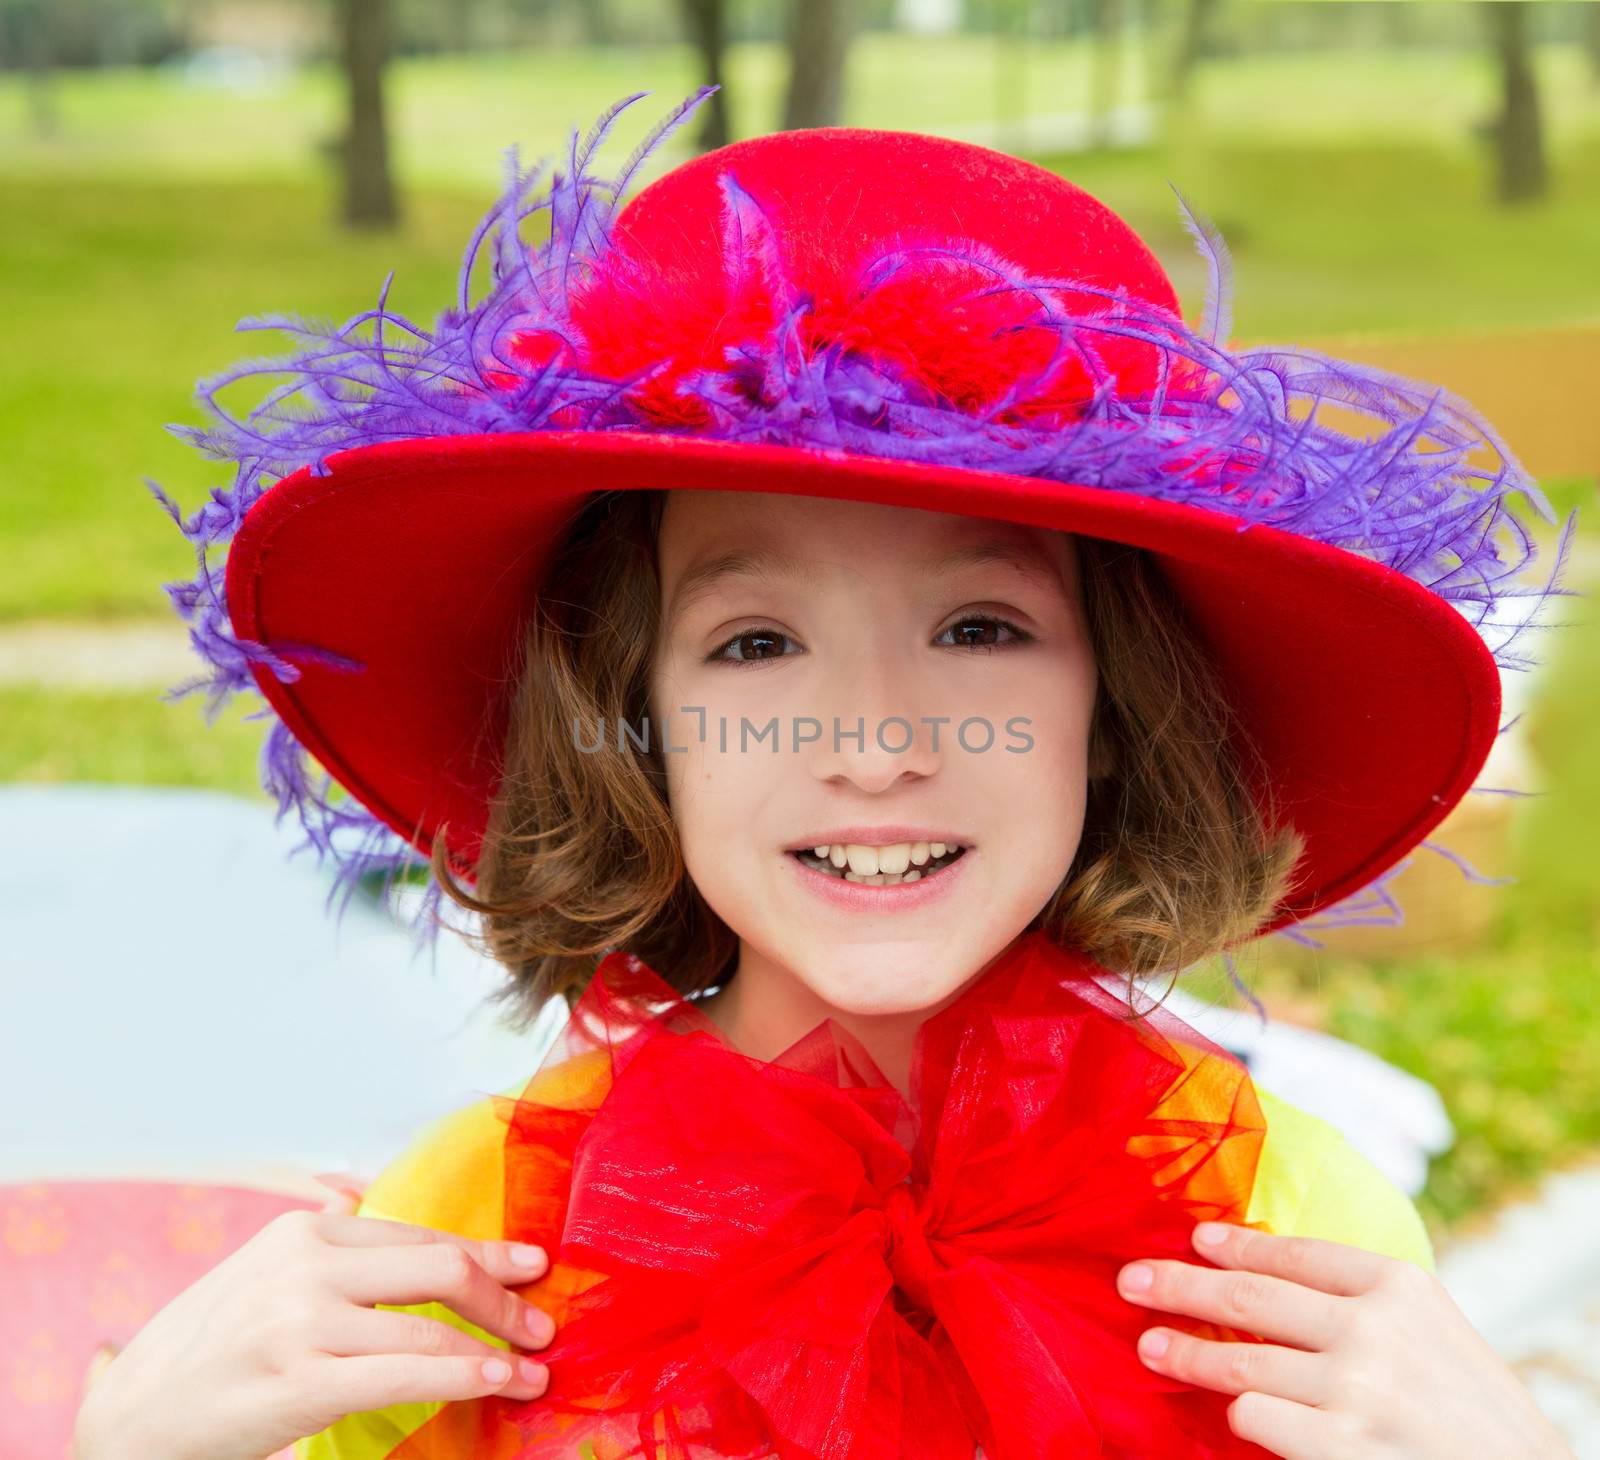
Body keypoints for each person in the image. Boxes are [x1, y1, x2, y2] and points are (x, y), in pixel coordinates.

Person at [84, 86, 1577, 1459]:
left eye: (980, 627)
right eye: (752, 647)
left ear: (1115, 706)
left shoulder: (1280, 1227)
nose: (873, 744)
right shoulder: (477, 1246)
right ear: (635, 720)